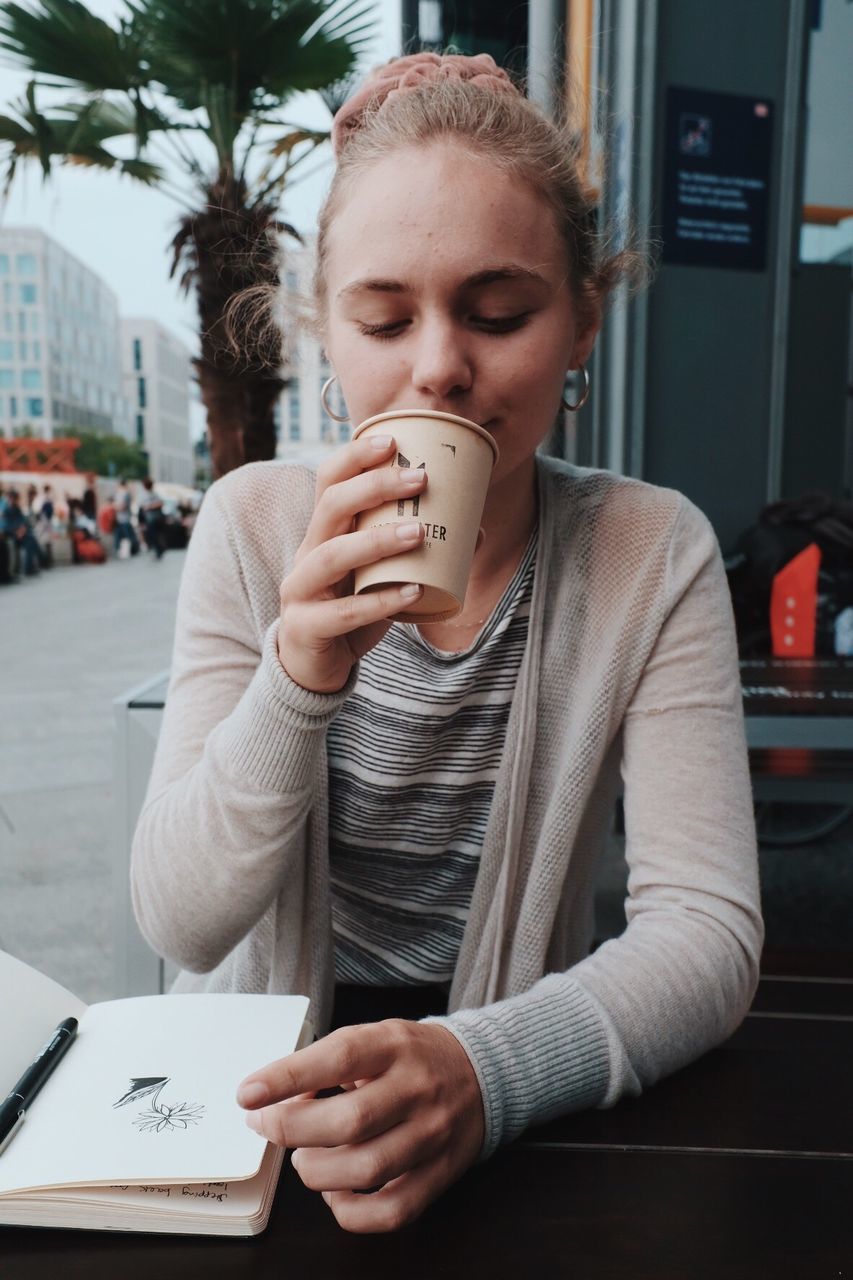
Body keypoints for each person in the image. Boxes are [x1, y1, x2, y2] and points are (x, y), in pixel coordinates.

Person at [131, 53, 762, 1235]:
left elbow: (708, 931)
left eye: (497, 312)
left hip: (521, 1086)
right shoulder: (253, 522)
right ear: (324, 334)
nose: (436, 366)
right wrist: (298, 675)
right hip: (252, 1116)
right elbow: (180, 919)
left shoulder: (649, 549)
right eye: (383, 316)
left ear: (581, 321)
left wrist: (485, 1071)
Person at [2, 487, 47, 576]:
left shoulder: (17, 509)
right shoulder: (7, 511)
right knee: (31, 541)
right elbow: (7, 526)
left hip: (21, 535)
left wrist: (22, 529)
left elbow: (23, 522)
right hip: (14, 536)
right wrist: (18, 531)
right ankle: (36, 564)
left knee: (31, 541)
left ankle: (34, 565)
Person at [139, 477, 166, 559]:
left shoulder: (152, 494)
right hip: (152, 519)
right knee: (154, 535)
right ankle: (159, 549)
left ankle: (159, 549)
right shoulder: (147, 494)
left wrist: (150, 506)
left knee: (155, 535)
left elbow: (160, 503)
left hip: (153, 519)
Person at [113, 478, 140, 557]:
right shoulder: (119, 494)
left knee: (128, 535)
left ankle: (134, 549)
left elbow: (122, 506)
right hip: (120, 518)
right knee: (119, 536)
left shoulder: (125, 494)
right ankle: (118, 549)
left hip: (125, 518)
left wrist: (116, 507)